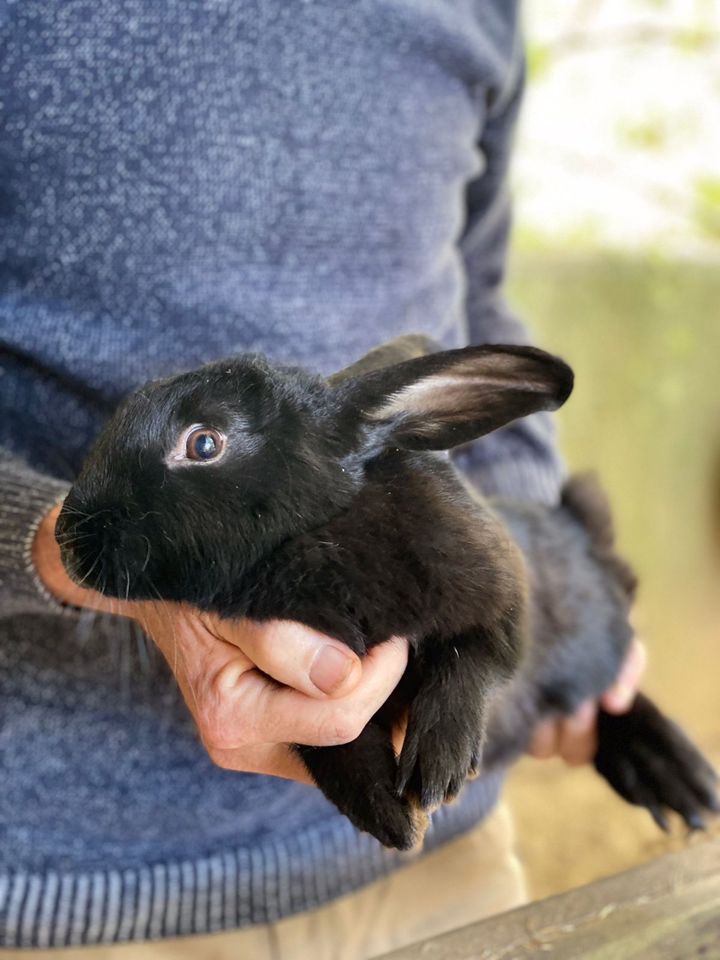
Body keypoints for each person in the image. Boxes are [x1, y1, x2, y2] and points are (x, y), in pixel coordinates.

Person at [0, 2, 645, 956]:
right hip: (80, 893)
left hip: (447, 859)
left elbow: (473, 282)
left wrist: (558, 611)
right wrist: (49, 542)